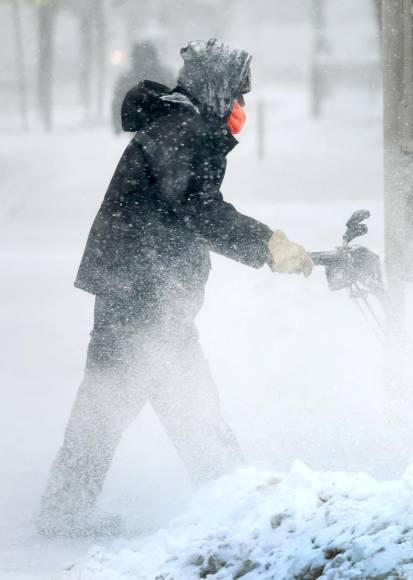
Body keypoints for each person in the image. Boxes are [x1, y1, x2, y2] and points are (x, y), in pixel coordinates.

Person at [37, 39, 313, 537]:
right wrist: (268, 244)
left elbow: (180, 209)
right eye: (237, 95)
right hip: (140, 290)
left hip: (145, 288)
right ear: (216, 90)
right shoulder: (187, 130)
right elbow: (197, 207)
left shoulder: (179, 125)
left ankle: (230, 500)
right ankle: (70, 512)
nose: (241, 107)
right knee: (120, 402)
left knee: (181, 404)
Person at [111, 40, 175, 134]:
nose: (144, 61)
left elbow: (118, 101)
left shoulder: (128, 77)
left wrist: (118, 124)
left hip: (144, 124)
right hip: (161, 125)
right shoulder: (163, 74)